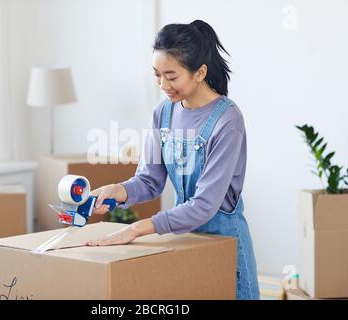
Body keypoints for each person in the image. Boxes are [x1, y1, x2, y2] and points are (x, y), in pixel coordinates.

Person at [85, 20, 260, 300]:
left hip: (226, 244)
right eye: (157, 75)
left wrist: (136, 229)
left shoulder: (227, 119)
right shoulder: (163, 112)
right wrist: (116, 191)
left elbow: (204, 205)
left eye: (171, 76)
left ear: (200, 72)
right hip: (185, 239)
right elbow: (149, 180)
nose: (163, 85)